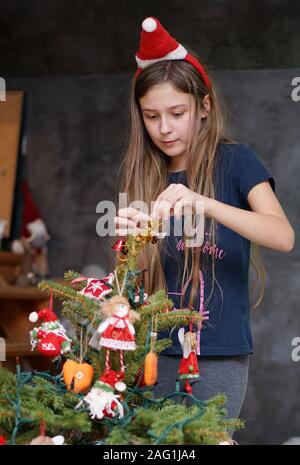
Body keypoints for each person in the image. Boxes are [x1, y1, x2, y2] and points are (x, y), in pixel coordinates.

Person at [113, 16, 295, 431]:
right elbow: (132, 284)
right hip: (156, 352)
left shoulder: (236, 161)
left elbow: (282, 235)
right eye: (151, 116)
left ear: (204, 107)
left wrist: (204, 203)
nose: (164, 128)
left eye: (177, 113)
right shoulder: (143, 175)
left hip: (219, 352)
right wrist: (135, 244)